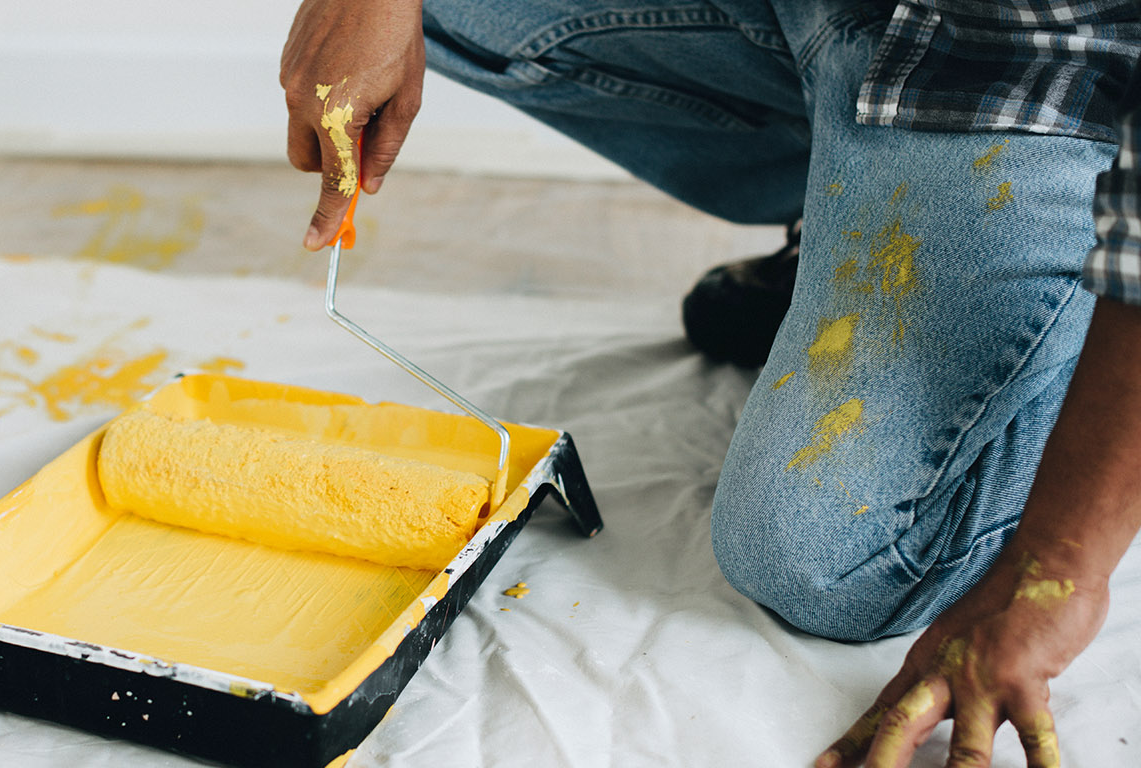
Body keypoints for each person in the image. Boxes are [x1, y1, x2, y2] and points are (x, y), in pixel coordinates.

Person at [280, 1, 1141, 765]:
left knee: (823, 560)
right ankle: (849, 215)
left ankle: (1061, 293)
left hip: (1041, 73)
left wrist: (1058, 565)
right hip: (857, 16)